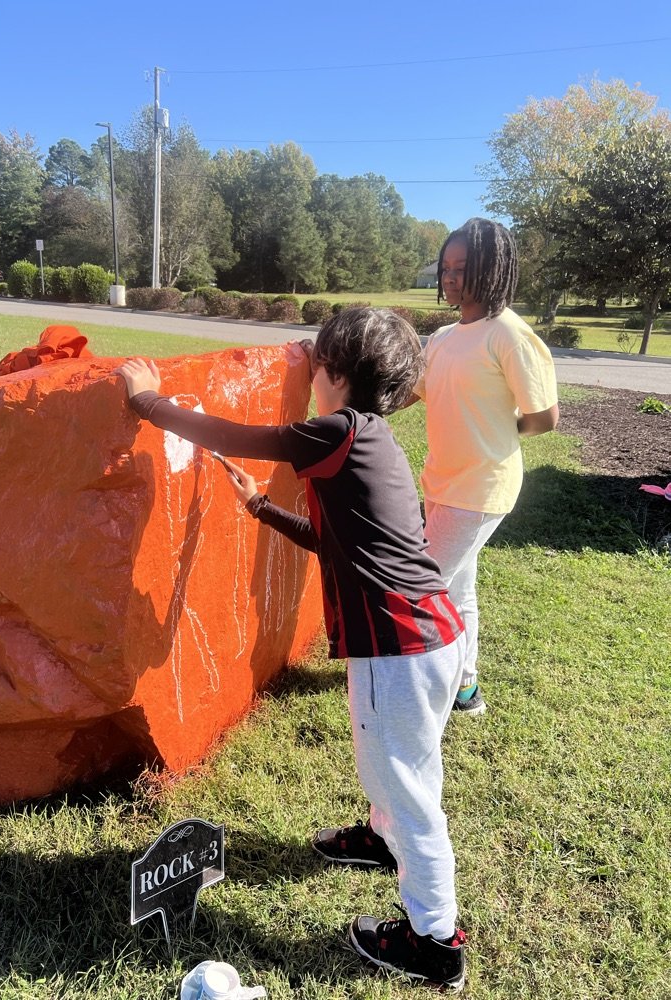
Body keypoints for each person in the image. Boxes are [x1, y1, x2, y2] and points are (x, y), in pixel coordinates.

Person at [115, 308, 468, 989]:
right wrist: (262, 509)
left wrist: (146, 399)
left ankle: (436, 940)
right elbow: (340, 546)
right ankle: (379, 835)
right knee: (392, 766)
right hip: (426, 639)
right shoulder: (372, 439)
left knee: (412, 789)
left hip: (399, 649)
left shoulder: (333, 431)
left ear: (333, 374)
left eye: (316, 362)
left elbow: (232, 434)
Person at [413, 218, 559, 716]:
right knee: (459, 588)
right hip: (441, 478)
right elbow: (413, 393)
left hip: (481, 486)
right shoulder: (443, 336)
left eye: (464, 268)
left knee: (421, 584)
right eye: (446, 268)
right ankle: (466, 687)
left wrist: (500, 431)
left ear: (494, 269)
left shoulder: (509, 336)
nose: (452, 278)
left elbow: (544, 417)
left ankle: (415, 685)